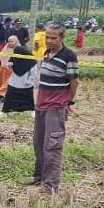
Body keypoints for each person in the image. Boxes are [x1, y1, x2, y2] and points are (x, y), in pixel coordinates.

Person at [26, 23, 79, 194]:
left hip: (56, 107)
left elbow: (74, 82)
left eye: (53, 38)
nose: (49, 40)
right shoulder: (46, 53)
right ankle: (38, 175)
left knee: (52, 145)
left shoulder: (69, 56)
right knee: (38, 142)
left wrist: (68, 102)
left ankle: (50, 186)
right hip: (41, 104)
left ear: (61, 38)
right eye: (47, 37)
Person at [2, 38, 38, 114]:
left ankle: (32, 110)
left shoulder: (31, 61)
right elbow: (11, 68)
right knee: (9, 97)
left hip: (25, 83)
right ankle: (5, 111)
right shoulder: (15, 58)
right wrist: (9, 66)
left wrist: (30, 81)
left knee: (28, 98)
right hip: (14, 82)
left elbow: (33, 73)